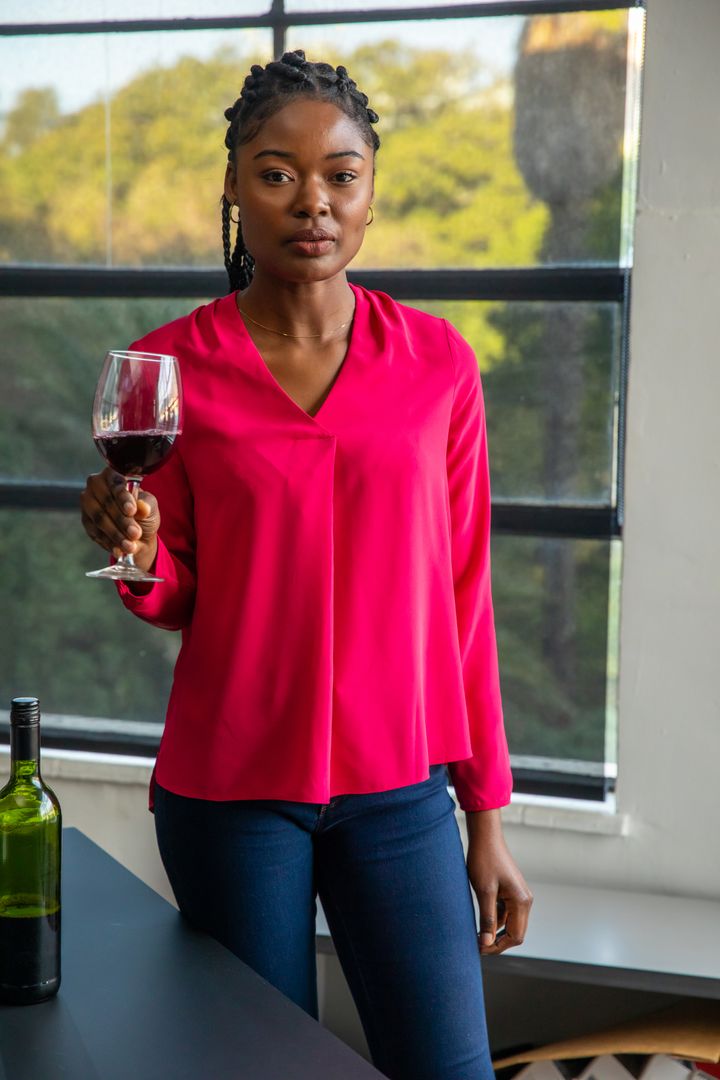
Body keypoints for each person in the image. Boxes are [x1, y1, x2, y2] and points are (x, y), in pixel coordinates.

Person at [80, 49, 533, 1080]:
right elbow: (182, 592)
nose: (312, 202)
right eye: (277, 173)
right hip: (232, 792)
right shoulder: (168, 368)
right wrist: (140, 553)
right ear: (235, 190)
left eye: (341, 174)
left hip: (402, 790)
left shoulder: (437, 365)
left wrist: (487, 819)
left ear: (372, 192)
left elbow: (463, 599)